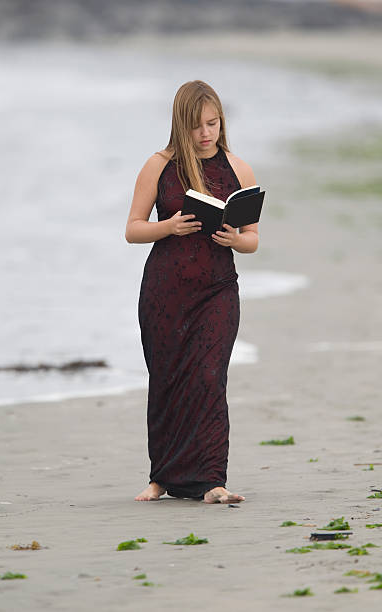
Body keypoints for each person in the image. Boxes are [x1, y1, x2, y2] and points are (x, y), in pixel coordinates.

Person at [125, 80, 258, 503]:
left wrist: (236, 240)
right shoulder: (158, 165)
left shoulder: (238, 168)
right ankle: (161, 477)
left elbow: (253, 237)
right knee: (166, 380)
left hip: (217, 290)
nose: (206, 134)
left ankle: (212, 481)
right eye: (198, 126)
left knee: (208, 377)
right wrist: (170, 226)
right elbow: (133, 229)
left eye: (213, 124)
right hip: (165, 291)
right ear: (180, 125)